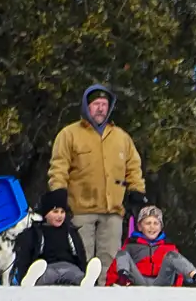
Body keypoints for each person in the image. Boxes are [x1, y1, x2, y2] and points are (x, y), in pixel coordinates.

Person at [47, 84, 146, 268]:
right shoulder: (70, 134)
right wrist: (58, 193)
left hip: (113, 212)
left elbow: (133, 166)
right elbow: (59, 166)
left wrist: (137, 191)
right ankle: (80, 295)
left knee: (109, 264)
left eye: (104, 104)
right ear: (86, 106)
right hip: (81, 210)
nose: (100, 108)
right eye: (96, 104)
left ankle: (105, 296)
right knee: (81, 260)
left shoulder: (121, 137)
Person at [13, 191, 99, 286]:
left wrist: (83, 268)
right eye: (55, 212)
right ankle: (31, 281)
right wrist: (22, 274)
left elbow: (80, 254)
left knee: (76, 275)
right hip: (46, 267)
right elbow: (24, 257)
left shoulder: (70, 232)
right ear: (45, 214)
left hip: (68, 266)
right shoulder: (35, 232)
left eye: (62, 212)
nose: (59, 215)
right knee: (45, 276)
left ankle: (86, 281)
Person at [107, 205, 196, 286]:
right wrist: (110, 284)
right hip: (139, 282)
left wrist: (176, 288)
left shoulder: (168, 246)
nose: (152, 227)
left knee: (172, 255)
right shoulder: (132, 245)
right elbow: (115, 266)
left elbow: (178, 270)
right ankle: (122, 281)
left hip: (161, 283)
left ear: (160, 226)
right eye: (148, 223)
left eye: (156, 223)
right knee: (123, 253)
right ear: (140, 227)